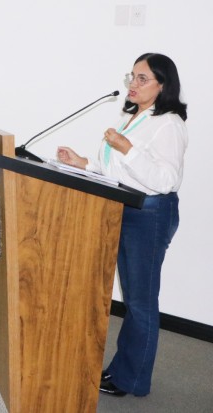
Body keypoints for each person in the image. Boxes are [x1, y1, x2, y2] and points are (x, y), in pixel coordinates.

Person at [57, 53, 188, 398]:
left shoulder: (169, 123)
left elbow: (165, 179)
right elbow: (113, 172)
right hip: (127, 208)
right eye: (132, 76)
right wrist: (82, 162)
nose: (133, 83)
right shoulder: (136, 118)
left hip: (150, 213)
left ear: (163, 85)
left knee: (141, 302)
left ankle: (131, 380)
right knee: (134, 300)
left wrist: (126, 148)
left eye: (142, 79)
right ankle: (123, 371)